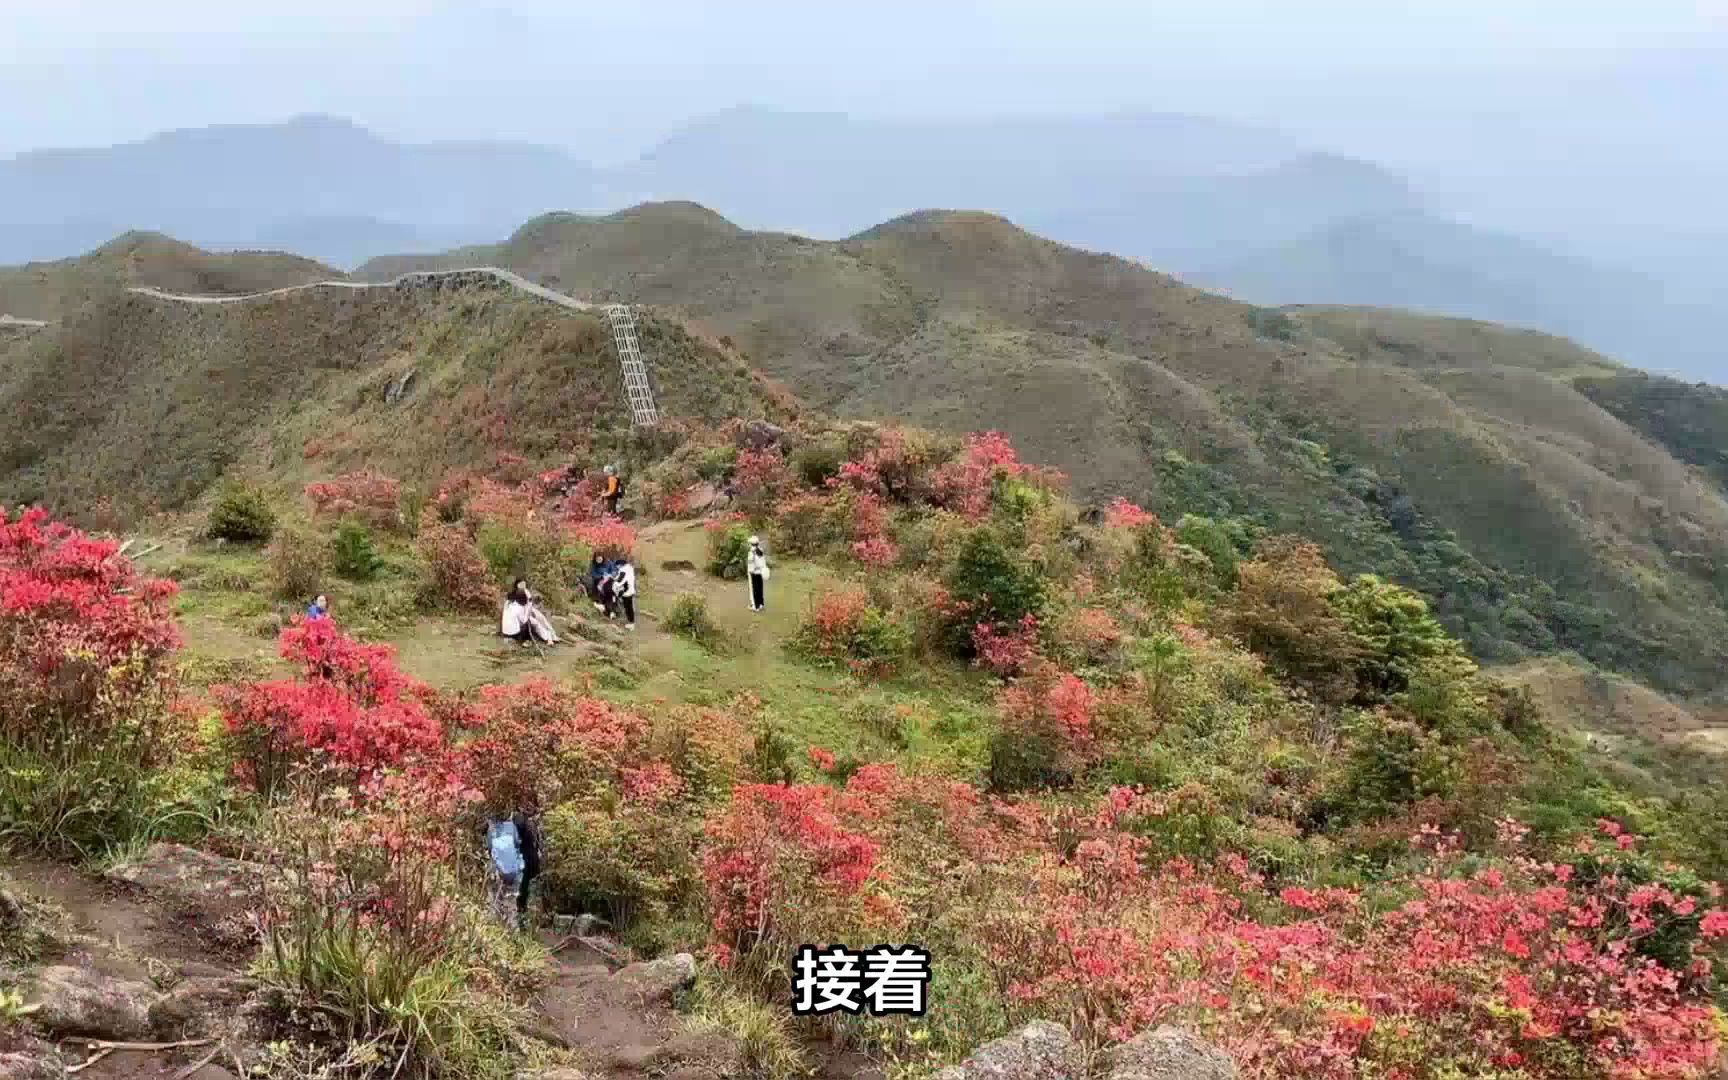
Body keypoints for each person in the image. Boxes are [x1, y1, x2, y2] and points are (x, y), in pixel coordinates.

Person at [486, 813, 538, 930]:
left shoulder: (494, 831)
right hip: (521, 867)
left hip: (502, 870)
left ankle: (501, 926)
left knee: (500, 899)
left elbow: (490, 850)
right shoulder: (520, 832)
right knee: (518, 898)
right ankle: (517, 926)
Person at [746, 536, 770, 612]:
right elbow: (763, 562)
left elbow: (751, 563)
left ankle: (755, 606)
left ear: (751, 544)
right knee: (760, 589)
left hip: (754, 573)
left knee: (754, 590)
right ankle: (760, 604)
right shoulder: (760, 550)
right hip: (760, 572)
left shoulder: (751, 552)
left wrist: (751, 571)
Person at [614, 556, 637, 630]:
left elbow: (620, 580)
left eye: (617, 566)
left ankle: (631, 623)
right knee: (629, 607)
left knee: (628, 607)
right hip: (630, 590)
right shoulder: (629, 568)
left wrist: (615, 583)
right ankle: (630, 622)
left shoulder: (623, 570)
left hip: (626, 591)